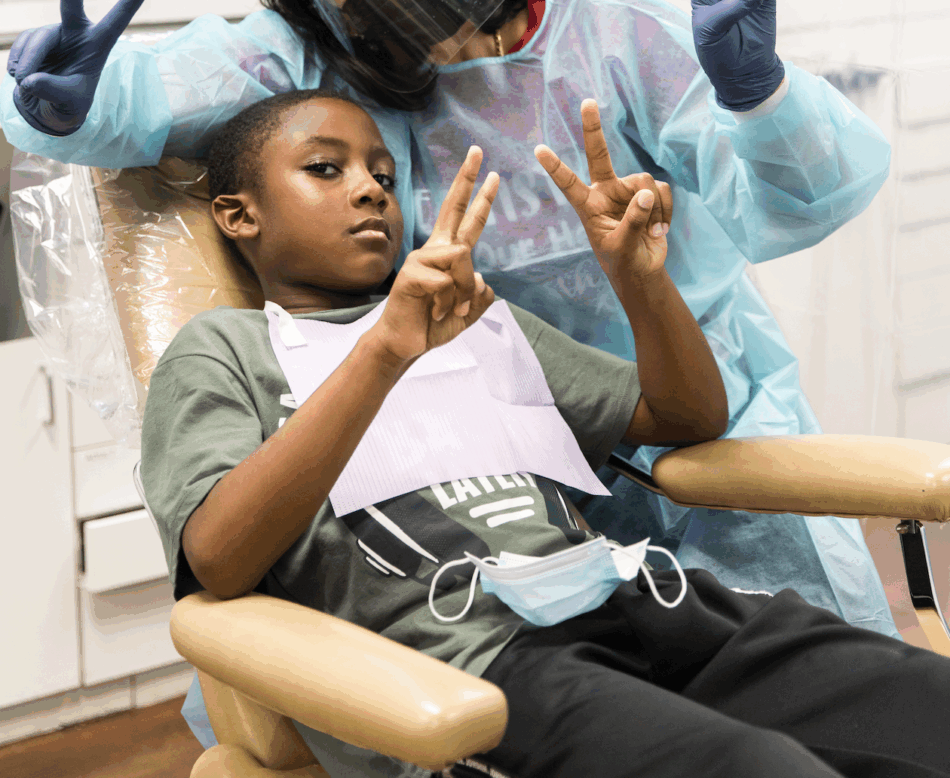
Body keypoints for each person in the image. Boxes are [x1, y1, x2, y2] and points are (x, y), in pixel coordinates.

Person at [1, 0, 896, 643]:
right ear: (324, 15)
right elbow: (158, 95)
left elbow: (800, 202)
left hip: (697, 430)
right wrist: (65, 100)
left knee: (820, 685)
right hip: (499, 482)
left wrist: (758, 92)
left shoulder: (616, 38)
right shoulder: (327, 75)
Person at [141, 89, 950, 778]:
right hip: (482, 668)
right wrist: (381, 351)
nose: (370, 191)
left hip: (650, 607)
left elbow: (685, 418)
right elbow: (219, 555)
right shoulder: (222, 351)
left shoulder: (475, 319)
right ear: (237, 214)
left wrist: (640, 282)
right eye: (327, 169)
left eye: (383, 176)